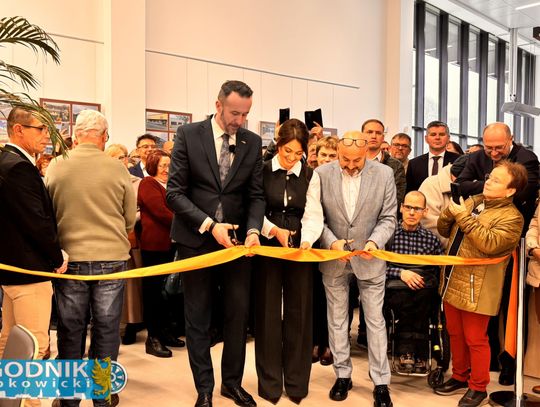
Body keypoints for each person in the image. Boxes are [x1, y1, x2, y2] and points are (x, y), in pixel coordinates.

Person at [166, 80, 265, 407]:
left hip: (237, 244)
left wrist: (254, 230)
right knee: (198, 316)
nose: (240, 120)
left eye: (246, 114)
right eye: (235, 113)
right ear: (218, 105)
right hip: (196, 240)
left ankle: (232, 384)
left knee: (237, 315)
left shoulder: (252, 142)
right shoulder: (188, 134)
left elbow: (255, 195)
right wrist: (209, 225)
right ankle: (204, 388)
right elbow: (174, 193)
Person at [46, 110, 136, 407]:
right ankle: (102, 394)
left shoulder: (56, 166)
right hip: (111, 258)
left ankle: (68, 398)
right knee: (107, 329)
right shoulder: (118, 169)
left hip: (69, 259)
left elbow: (48, 214)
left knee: (70, 329)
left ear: (75, 135)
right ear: (104, 136)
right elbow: (129, 218)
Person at [300, 130, 396, 407]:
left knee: (375, 321)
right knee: (337, 320)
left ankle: (381, 382)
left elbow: (389, 217)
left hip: (371, 259)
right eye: (345, 160)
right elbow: (315, 217)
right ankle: (342, 375)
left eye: (357, 161)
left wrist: (374, 241)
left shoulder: (384, 174)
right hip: (334, 258)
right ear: (338, 152)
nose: (350, 165)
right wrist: (332, 242)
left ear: (367, 153)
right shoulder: (321, 174)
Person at [434, 160, 526, 407]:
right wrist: (450, 211)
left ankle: (478, 386)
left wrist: (462, 216)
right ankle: (460, 376)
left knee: (475, 339)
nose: (488, 182)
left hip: (479, 285)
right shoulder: (474, 201)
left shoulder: (513, 218)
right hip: (452, 277)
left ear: (510, 190)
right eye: (489, 177)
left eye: (496, 180)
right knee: (455, 333)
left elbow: (490, 244)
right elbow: (444, 230)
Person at [456, 122, 539, 383]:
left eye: (499, 148)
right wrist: (491, 186)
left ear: (511, 140)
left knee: (510, 307)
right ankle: (489, 358)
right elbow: (461, 186)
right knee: (484, 305)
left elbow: (524, 190)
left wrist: (482, 187)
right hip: (477, 244)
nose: (493, 153)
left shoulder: (527, 158)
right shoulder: (476, 157)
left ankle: (509, 363)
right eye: (488, 147)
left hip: (511, 242)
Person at [0, 107, 67, 407]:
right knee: (34, 346)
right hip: (29, 272)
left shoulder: (7, 161)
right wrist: (57, 257)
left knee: (9, 342)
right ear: (18, 130)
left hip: (12, 270)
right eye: (40, 129)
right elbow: (36, 222)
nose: (46, 136)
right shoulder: (18, 167)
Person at [255, 119, 314, 404]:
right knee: (267, 311)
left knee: (299, 311)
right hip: (267, 243)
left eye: (298, 153)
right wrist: (272, 230)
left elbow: (314, 212)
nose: (291, 158)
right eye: (287, 151)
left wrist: (307, 239)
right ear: (277, 145)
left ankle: (297, 383)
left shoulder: (311, 175)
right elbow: (253, 207)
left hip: (301, 247)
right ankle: (269, 385)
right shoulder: (261, 171)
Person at [384, 191, 443, 373]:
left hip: (423, 291)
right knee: (405, 300)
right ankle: (410, 351)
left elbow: (438, 271)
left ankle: (416, 353)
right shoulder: (388, 235)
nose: (411, 212)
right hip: (395, 288)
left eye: (417, 209)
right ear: (401, 208)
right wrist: (401, 273)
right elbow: (376, 268)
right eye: (408, 207)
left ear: (425, 212)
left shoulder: (431, 240)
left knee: (425, 300)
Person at [138, 149, 185, 357]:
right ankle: (153, 338)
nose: (167, 169)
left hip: (172, 245)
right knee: (153, 294)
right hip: (154, 247)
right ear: (153, 166)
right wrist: (188, 222)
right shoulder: (148, 183)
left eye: (169, 165)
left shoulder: (174, 185)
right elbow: (160, 212)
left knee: (168, 294)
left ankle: (165, 332)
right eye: (162, 165)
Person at [406, 121, 460, 192]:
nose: (437, 137)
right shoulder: (414, 164)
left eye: (442, 134)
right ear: (426, 139)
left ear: (448, 138)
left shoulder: (459, 160)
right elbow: (410, 192)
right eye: (433, 134)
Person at [363, 119, 406, 207]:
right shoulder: (352, 161)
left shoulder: (396, 166)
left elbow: (396, 200)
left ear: (383, 137)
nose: (374, 136)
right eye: (369, 132)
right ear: (362, 135)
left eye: (378, 133)